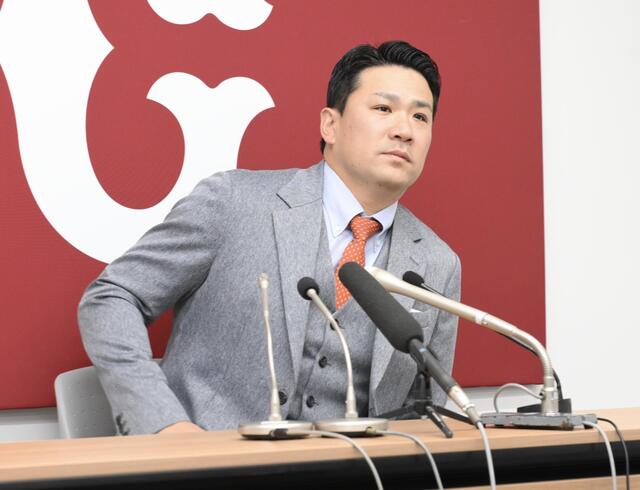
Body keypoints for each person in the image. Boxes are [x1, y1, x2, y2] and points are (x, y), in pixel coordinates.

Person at [78, 40, 461, 435]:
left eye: (421, 117)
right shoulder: (231, 202)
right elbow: (111, 297)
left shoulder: (437, 263)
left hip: (359, 463)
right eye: (383, 109)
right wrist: (163, 425)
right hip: (208, 459)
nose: (404, 131)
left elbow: (426, 415)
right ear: (330, 125)